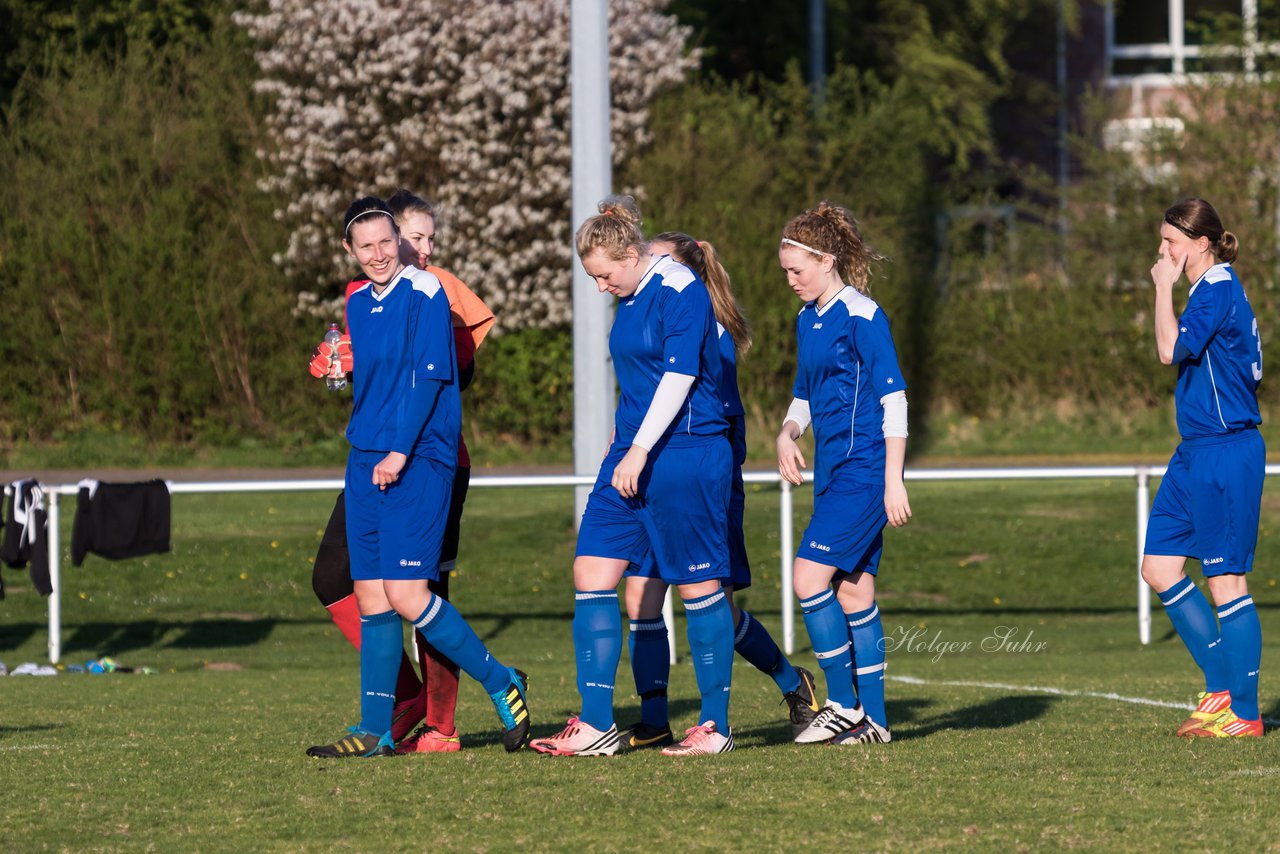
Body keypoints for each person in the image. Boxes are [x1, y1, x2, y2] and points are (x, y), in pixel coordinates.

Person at [306, 196, 529, 758]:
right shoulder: (357, 299)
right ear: (348, 251)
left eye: (387, 242)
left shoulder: (427, 291)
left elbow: (430, 380)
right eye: (366, 246)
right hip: (365, 458)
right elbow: (374, 377)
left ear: (397, 242)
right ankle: (374, 729)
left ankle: (501, 681)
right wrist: (339, 368)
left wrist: (400, 453)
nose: (379, 254)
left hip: (419, 458)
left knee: (408, 594)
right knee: (370, 594)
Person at [529, 197, 737, 757]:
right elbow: (640, 385)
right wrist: (624, 443)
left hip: (684, 455)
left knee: (697, 587)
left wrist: (640, 448)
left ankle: (713, 727)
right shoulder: (632, 292)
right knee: (591, 569)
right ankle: (598, 724)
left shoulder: (680, 288)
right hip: (630, 455)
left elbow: (680, 375)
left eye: (603, 275)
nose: (599, 287)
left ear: (631, 253)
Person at [618, 232, 819, 750]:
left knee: (716, 609)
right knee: (641, 595)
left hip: (701, 480)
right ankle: (655, 717)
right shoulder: (648, 319)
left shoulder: (708, 330)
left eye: (658, 261)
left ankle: (786, 684)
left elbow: (721, 416)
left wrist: (721, 479)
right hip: (651, 477)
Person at [775, 201, 910, 745]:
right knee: (854, 592)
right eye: (785, 271)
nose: (790, 281)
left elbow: (894, 398)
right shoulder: (807, 319)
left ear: (826, 260)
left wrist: (893, 479)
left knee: (808, 578)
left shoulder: (863, 315)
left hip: (866, 468)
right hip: (832, 471)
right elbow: (805, 393)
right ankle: (875, 723)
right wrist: (787, 431)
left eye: (797, 270)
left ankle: (844, 704)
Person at [1141, 197, 1264, 738]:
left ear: (1202, 242)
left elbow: (1168, 350)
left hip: (1225, 449)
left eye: (1171, 241)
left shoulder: (1215, 288)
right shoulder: (1206, 290)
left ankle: (1246, 713)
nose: (1162, 250)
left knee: (1226, 581)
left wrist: (1162, 286)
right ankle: (1219, 688)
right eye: (1163, 239)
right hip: (1194, 450)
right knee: (1160, 568)